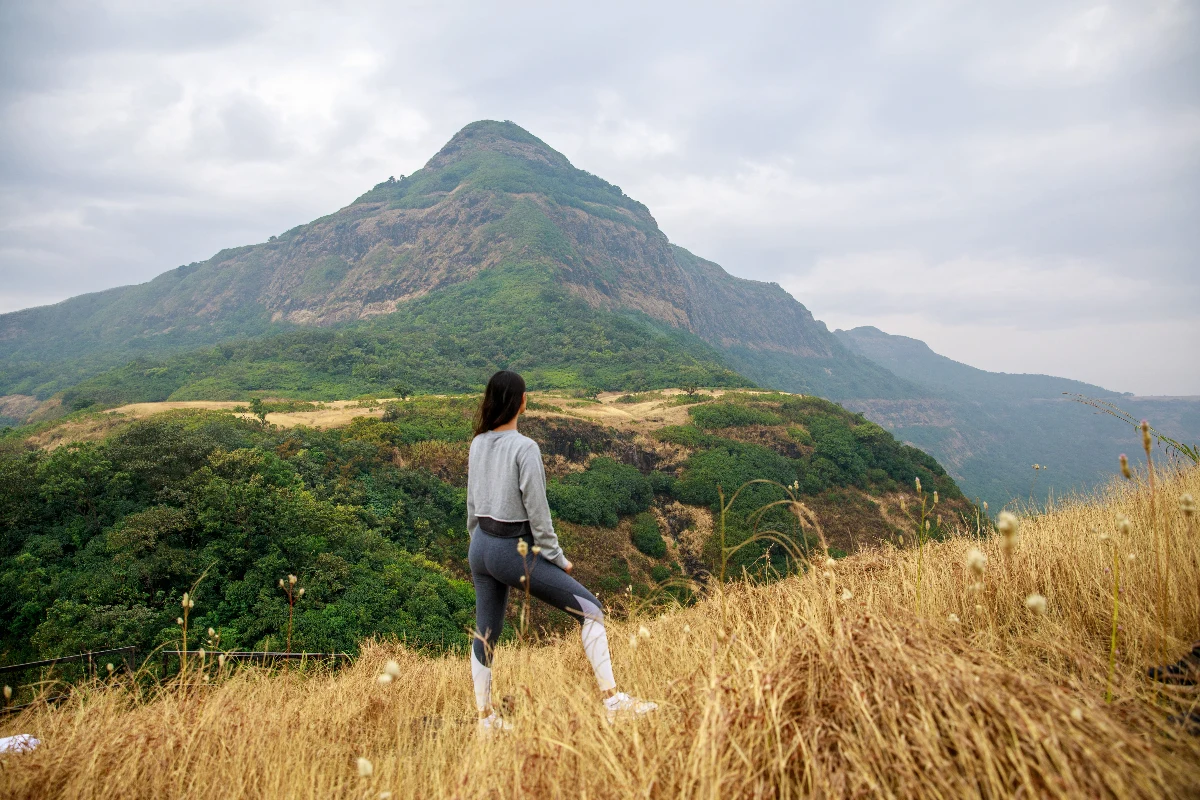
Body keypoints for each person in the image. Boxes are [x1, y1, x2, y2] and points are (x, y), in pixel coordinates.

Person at [466, 370, 657, 734]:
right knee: (592, 611)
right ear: (523, 402)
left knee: (485, 632)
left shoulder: (478, 443)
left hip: (481, 547)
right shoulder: (524, 448)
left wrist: (478, 544)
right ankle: (613, 702)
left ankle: (485, 721)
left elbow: (472, 506)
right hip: (511, 550)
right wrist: (557, 557)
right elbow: (538, 515)